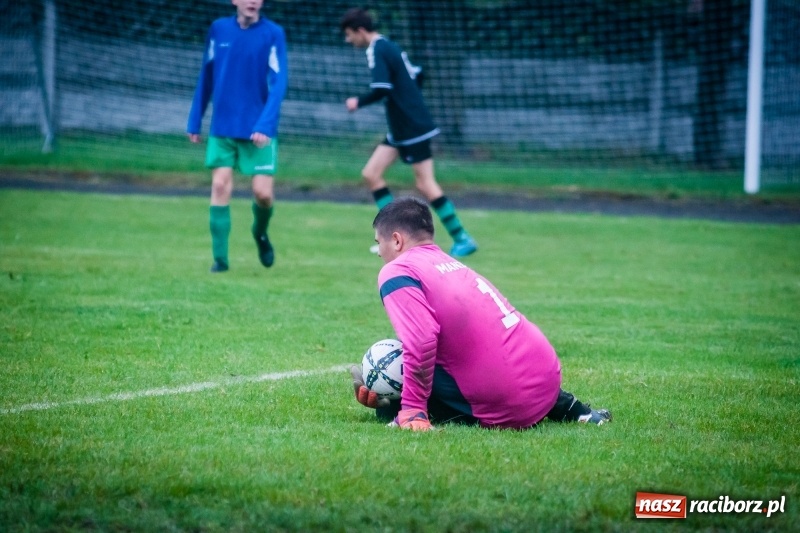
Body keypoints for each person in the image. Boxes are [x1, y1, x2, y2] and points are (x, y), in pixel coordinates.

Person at [351, 197, 612, 431]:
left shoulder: (397, 270)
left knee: (390, 407)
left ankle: (405, 409)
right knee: (395, 392)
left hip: (510, 398)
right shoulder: (452, 264)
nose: (380, 254)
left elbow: (422, 339)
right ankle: (573, 409)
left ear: (396, 240)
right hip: (545, 377)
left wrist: (411, 409)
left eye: (379, 243)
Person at [339, 8, 478, 258]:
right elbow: (418, 74)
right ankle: (390, 238)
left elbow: (381, 87)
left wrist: (357, 102)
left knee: (425, 183)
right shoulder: (390, 46)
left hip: (411, 126)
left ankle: (462, 237)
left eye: (349, 35)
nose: (349, 41)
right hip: (402, 126)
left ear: (360, 31)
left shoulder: (377, 49)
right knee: (371, 174)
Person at [187, 0, 288, 273]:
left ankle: (261, 234)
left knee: (262, 194)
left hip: (259, 129)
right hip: (222, 127)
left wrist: (265, 124)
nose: (253, 1)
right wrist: (195, 118)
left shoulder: (273, 33)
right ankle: (220, 260)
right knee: (220, 186)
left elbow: (280, 83)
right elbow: (206, 76)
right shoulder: (218, 29)